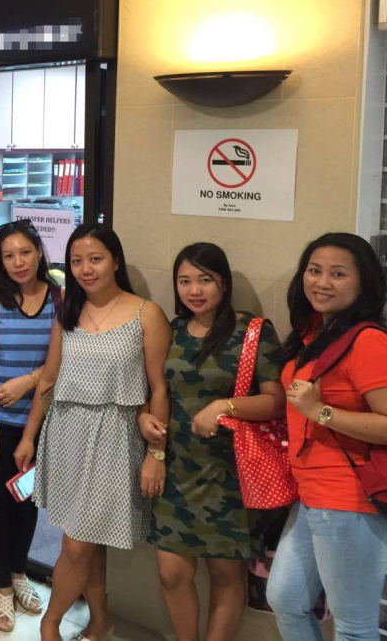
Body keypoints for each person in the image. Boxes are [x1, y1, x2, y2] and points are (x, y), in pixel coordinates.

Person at [14, 224, 170, 641]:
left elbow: (158, 388)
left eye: (96, 259)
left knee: (77, 544)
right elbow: (49, 379)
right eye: (77, 261)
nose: (86, 269)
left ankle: (49, 624)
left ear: (115, 261)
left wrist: (156, 452)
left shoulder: (145, 313)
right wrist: (29, 436)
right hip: (66, 432)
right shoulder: (68, 312)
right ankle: (101, 622)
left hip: (115, 438)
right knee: (87, 540)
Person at [148, 243, 285, 641]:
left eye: (205, 280)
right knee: (171, 572)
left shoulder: (253, 331)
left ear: (223, 282)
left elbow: (276, 401)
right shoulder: (173, 330)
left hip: (231, 473)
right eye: (184, 281)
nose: (194, 290)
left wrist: (225, 406)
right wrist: (147, 425)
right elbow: (156, 389)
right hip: (176, 470)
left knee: (226, 574)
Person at [266, 233, 387, 641]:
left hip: (348, 498)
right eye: (314, 271)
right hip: (311, 493)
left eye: (338, 274)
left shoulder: (368, 341)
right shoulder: (317, 332)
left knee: (353, 627)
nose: (322, 282)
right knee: (285, 600)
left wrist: (321, 412)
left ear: (364, 282)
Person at [0, 219, 54, 632]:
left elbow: (61, 361)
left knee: (27, 499)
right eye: (8, 255)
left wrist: (29, 380)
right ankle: (1, 586)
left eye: (25, 252)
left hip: (42, 423)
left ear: (39, 251)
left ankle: (20, 574)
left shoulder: (60, 298)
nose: (18, 262)